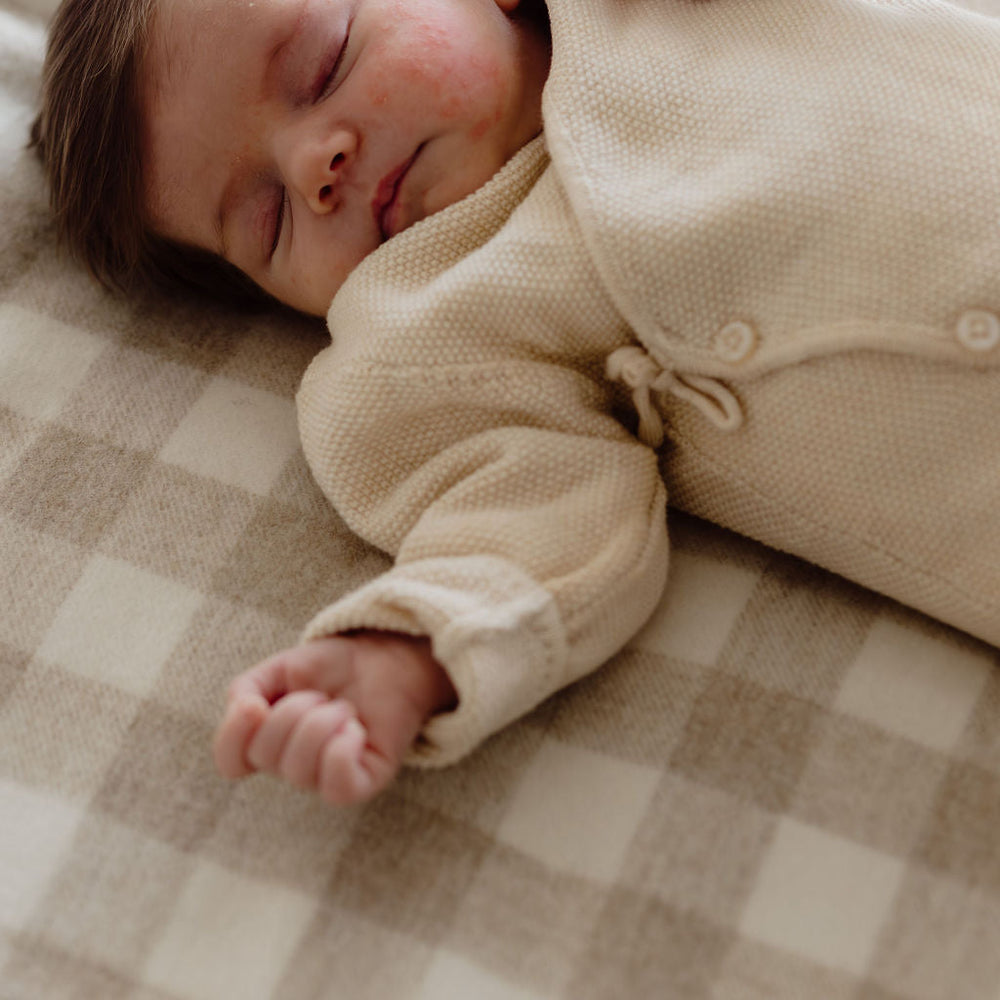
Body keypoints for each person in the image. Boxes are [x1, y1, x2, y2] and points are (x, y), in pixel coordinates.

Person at [31, 0, 1000, 805]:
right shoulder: (426, 327)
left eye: (322, 66)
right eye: (267, 219)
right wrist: (410, 646)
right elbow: (529, 515)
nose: (310, 166)